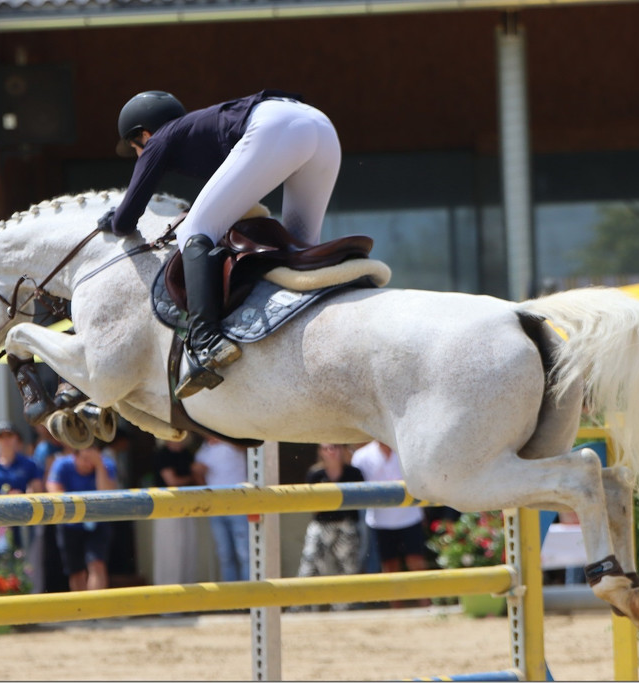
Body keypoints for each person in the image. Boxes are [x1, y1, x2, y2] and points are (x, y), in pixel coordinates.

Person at [99, 90, 341, 399]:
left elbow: (125, 221)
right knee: (301, 247)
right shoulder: (199, 133)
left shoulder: (159, 140)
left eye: (135, 148)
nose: (138, 155)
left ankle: (206, 340)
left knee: (194, 229)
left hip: (275, 123)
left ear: (143, 134)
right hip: (320, 125)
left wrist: (113, 218)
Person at [351, 440, 430, 608]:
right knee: (389, 566)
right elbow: (356, 485)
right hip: (380, 521)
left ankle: (425, 604)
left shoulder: (407, 449)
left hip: (410, 517)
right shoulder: (361, 456)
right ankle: (396, 608)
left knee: (416, 562)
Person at [295, 443, 365, 611]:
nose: (331, 451)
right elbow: (312, 506)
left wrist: (329, 499)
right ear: (320, 452)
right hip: (321, 525)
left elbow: (360, 503)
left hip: (346, 525)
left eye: (335, 447)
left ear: (342, 450)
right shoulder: (315, 474)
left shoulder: (353, 473)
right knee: (309, 563)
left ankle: (343, 609)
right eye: (326, 448)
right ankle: (304, 608)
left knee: (348, 568)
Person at [46, 443, 118, 591]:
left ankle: (96, 605)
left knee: (97, 564)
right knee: (76, 571)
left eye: (92, 459)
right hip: (70, 524)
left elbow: (106, 493)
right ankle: (82, 605)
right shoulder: (62, 464)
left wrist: (99, 466)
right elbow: (54, 491)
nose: (88, 464)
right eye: (85, 459)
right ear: (75, 456)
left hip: (98, 523)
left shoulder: (106, 465)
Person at [0, 420, 43, 553]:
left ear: (16, 438)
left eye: (9, 435)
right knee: (1, 554)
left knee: (25, 556)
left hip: (22, 517)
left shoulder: (29, 464)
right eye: (1, 436)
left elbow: (37, 491)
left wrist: (22, 497)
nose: (5, 440)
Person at [192, 436, 250, 582]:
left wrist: (224, 438)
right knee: (225, 555)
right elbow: (198, 473)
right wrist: (199, 475)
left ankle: (248, 593)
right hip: (216, 507)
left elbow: (246, 445)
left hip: (238, 504)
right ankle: (232, 594)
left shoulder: (232, 442)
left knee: (245, 553)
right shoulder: (204, 450)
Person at [152, 437, 200, 586]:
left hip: (187, 505)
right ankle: (168, 588)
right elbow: (172, 481)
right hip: (167, 506)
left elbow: (198, 477)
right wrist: (192, 476)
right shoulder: (163, 454)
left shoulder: (186, 453)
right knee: (170, 549)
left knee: (188, 547)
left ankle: (188, 588)